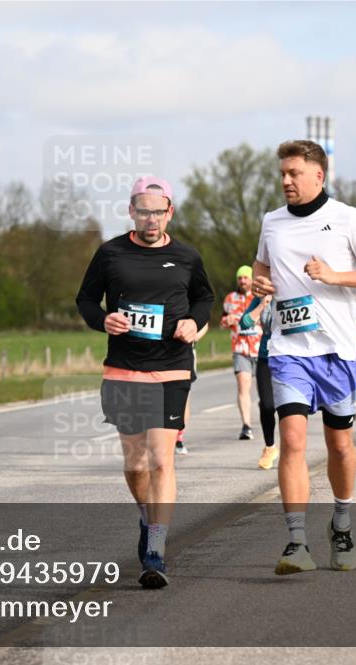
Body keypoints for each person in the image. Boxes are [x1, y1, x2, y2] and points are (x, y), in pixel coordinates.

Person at [252, 140, 356, 576]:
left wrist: (336, 277)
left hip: (338, 351)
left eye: (294, 173)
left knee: (339, 445)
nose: (286, 180)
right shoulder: (272, 222)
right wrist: (261, 283)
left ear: (318, 175)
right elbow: (262, 266)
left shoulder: (348, 218)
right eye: (282, 173)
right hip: (288, 349)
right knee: (293, 440)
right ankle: (297, 542)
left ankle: (342, 523)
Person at [77, 176, 214, 589]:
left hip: (171, 368)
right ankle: (146, 516)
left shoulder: (186, 256)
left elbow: (204, 298)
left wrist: (194, 322)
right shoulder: (110, 253)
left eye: (158, 212)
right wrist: (103, 320)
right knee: (136, 465)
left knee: (161, 459)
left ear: (169, 212)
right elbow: (86, 300)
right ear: (131, 212)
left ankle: (156, 547)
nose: (151, 219)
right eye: (143, 211)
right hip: (124, 368)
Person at [222, 265, 263, 440]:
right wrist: (227, 320)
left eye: (246, 277)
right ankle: (246, 425)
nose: (243, 281)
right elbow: (223, 321)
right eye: (240, 278)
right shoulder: (230, 299)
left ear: (252, 279)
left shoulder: (260, 297)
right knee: (243, 385)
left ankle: (266, 416)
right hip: (240, 348)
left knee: (263, 390)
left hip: (261, 348)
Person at [240, 295, 278, 469]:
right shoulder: (262, 296)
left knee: (291, 407)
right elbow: (244, 322)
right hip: (266, 356)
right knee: (267, 405)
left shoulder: (294, 289)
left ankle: (293, 449)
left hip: (291, 357)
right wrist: (263, 304)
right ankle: (270, 447)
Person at [174, 323, 209, 456]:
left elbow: (204, 324)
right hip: (160, 352)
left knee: (183, 397)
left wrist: (194, 336)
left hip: (185, 352)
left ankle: (179, 437)